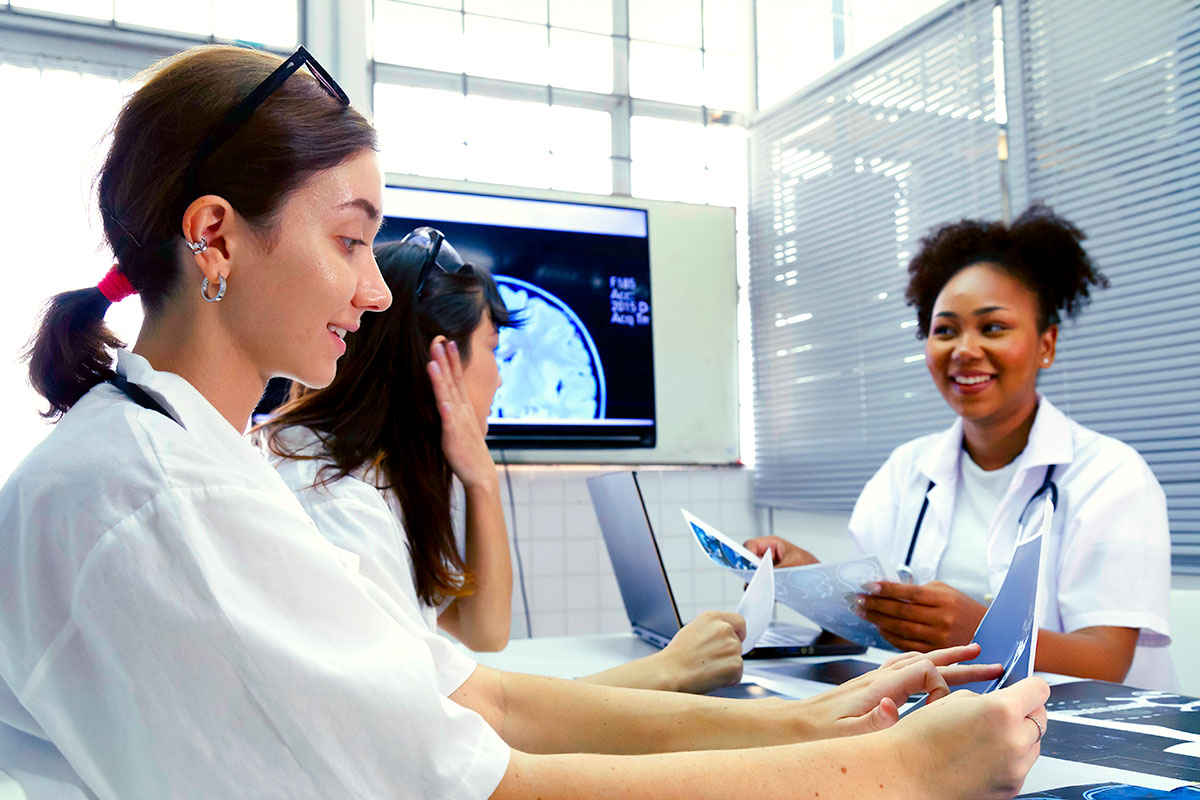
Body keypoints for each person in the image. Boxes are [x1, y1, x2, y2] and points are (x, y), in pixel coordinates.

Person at [0, 43, 1048, 800]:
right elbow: (484, 777)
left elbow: (471, 697)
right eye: (351, 239)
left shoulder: (185, 461)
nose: (373, 294)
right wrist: (901, 770)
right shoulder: (160, 501)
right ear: (216, 236)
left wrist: (800, 722)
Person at [260, 229, 744, 694]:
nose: (499, 379)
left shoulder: (373, 471)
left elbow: (483, 630)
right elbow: (451, 722)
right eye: (495, 350)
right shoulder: (334, 500)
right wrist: (668, 672)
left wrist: (482, 482)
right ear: (441, 360)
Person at [746, 206, 1174, 689]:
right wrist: (814, 586)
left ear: (1046, 345)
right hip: (943, 725)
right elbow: (871, 636)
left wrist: (979, 628)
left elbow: (1106, 663)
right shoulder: (905, 470)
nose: (964, 350)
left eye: (993, 328)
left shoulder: (1111, 476)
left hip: (1087, 737)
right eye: (945, 330)